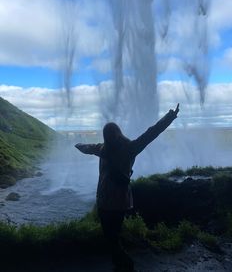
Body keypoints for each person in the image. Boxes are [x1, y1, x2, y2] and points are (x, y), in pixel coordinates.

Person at [75, 103, 179, 271]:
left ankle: (126, 265)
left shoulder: (103, 149)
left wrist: (78, 145)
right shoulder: (128, 148)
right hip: (119, 201)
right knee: (112, 236)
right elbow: (150, 134)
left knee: (111, 237)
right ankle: (121, 265)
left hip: (105, 200)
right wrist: (170, 117)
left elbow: (86, 148)